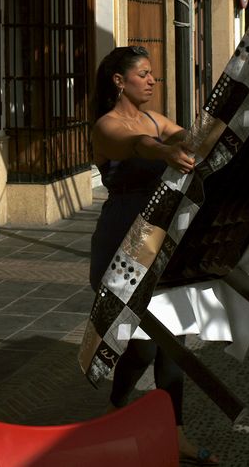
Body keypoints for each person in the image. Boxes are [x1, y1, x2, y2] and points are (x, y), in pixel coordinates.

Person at [89, 46, 220, 466]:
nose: (151, 81)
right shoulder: (106, 126)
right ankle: (116, 407)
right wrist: (164, 150)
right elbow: (136, 145)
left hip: (160, 241)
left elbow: (182, 134)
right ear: (118, 80)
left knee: (173, 342)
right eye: (143, 74)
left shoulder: (153, 118)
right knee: (144, 346)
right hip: (121, 245)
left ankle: (175, 433)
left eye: (153, 75)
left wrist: (198, 136)